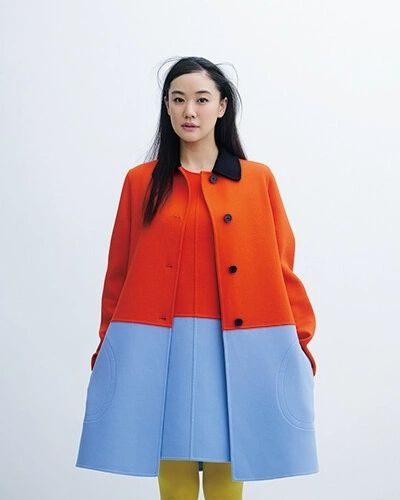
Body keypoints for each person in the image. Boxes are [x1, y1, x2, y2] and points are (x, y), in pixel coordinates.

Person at [75, 56, 319, 500]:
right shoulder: (140, 182)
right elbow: (119, 271)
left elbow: (283, 266)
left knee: (230, 464)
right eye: (178, 99)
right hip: (160, 346)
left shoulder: (257, 180)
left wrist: (301, 343)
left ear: (222, 107)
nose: (190, 111)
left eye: (202, 100)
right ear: (167, 107)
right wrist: (107, 343)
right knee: (173, 473)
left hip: (238, 346)